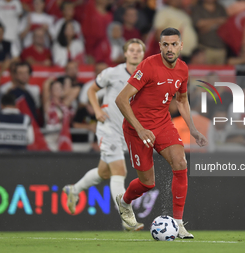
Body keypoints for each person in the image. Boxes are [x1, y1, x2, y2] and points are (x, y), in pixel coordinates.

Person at [115, 28, 207, 239]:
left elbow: (182, 100)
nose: (170, 48)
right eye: (165, 45)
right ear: (160, 46)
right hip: (137, 127)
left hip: (162, 123)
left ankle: (178, 224)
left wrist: (193, 130)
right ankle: (125, 202)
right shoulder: (148, 65)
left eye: (174, 44)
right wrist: (140, 129)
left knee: (180, 163)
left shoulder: (183, 69)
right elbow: (121, 99)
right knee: (147, 183)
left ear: (181, 46)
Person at [62, 39, 146, 231]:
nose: (134, 53)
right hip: (108, 128)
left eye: (138, 50)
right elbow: (92, 89)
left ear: (143, 54)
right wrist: (97, 110)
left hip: (126, 132)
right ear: (125, 53)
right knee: (120, 172)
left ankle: (74, 189)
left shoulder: (145, 76)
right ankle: (127, 219)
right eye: (131, 50)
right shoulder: (112, 72)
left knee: (104, 172)